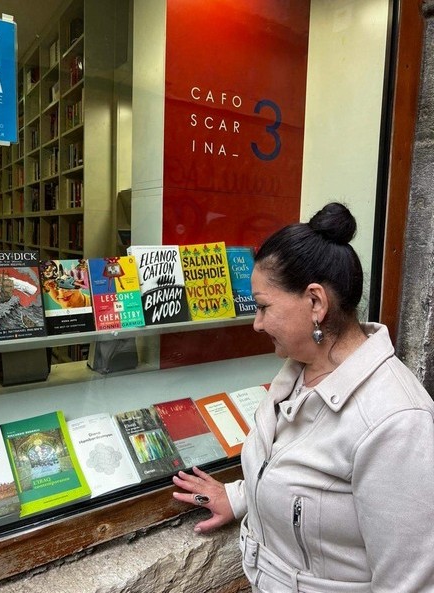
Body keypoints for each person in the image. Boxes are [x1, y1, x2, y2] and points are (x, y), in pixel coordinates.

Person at [172, 202, 434, 592]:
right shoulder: (300, 369)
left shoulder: (396, 421)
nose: (257, 324)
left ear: (315, 302)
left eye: (263, 307)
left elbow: (410, 583)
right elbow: (295, 474)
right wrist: (239, 496)